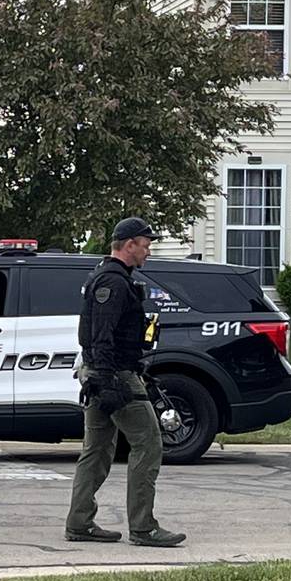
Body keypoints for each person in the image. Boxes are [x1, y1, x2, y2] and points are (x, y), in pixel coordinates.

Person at [65, 218, 186, 547]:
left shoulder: (110, 277)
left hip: (102, 374)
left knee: (97, 451)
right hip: (112, 376)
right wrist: (107, 380)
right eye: (145, 245)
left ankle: (79, 523)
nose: (148, 251)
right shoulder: (113, 282)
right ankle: (144, 528)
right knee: (149, 443)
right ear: (129, 244)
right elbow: (101, 335)